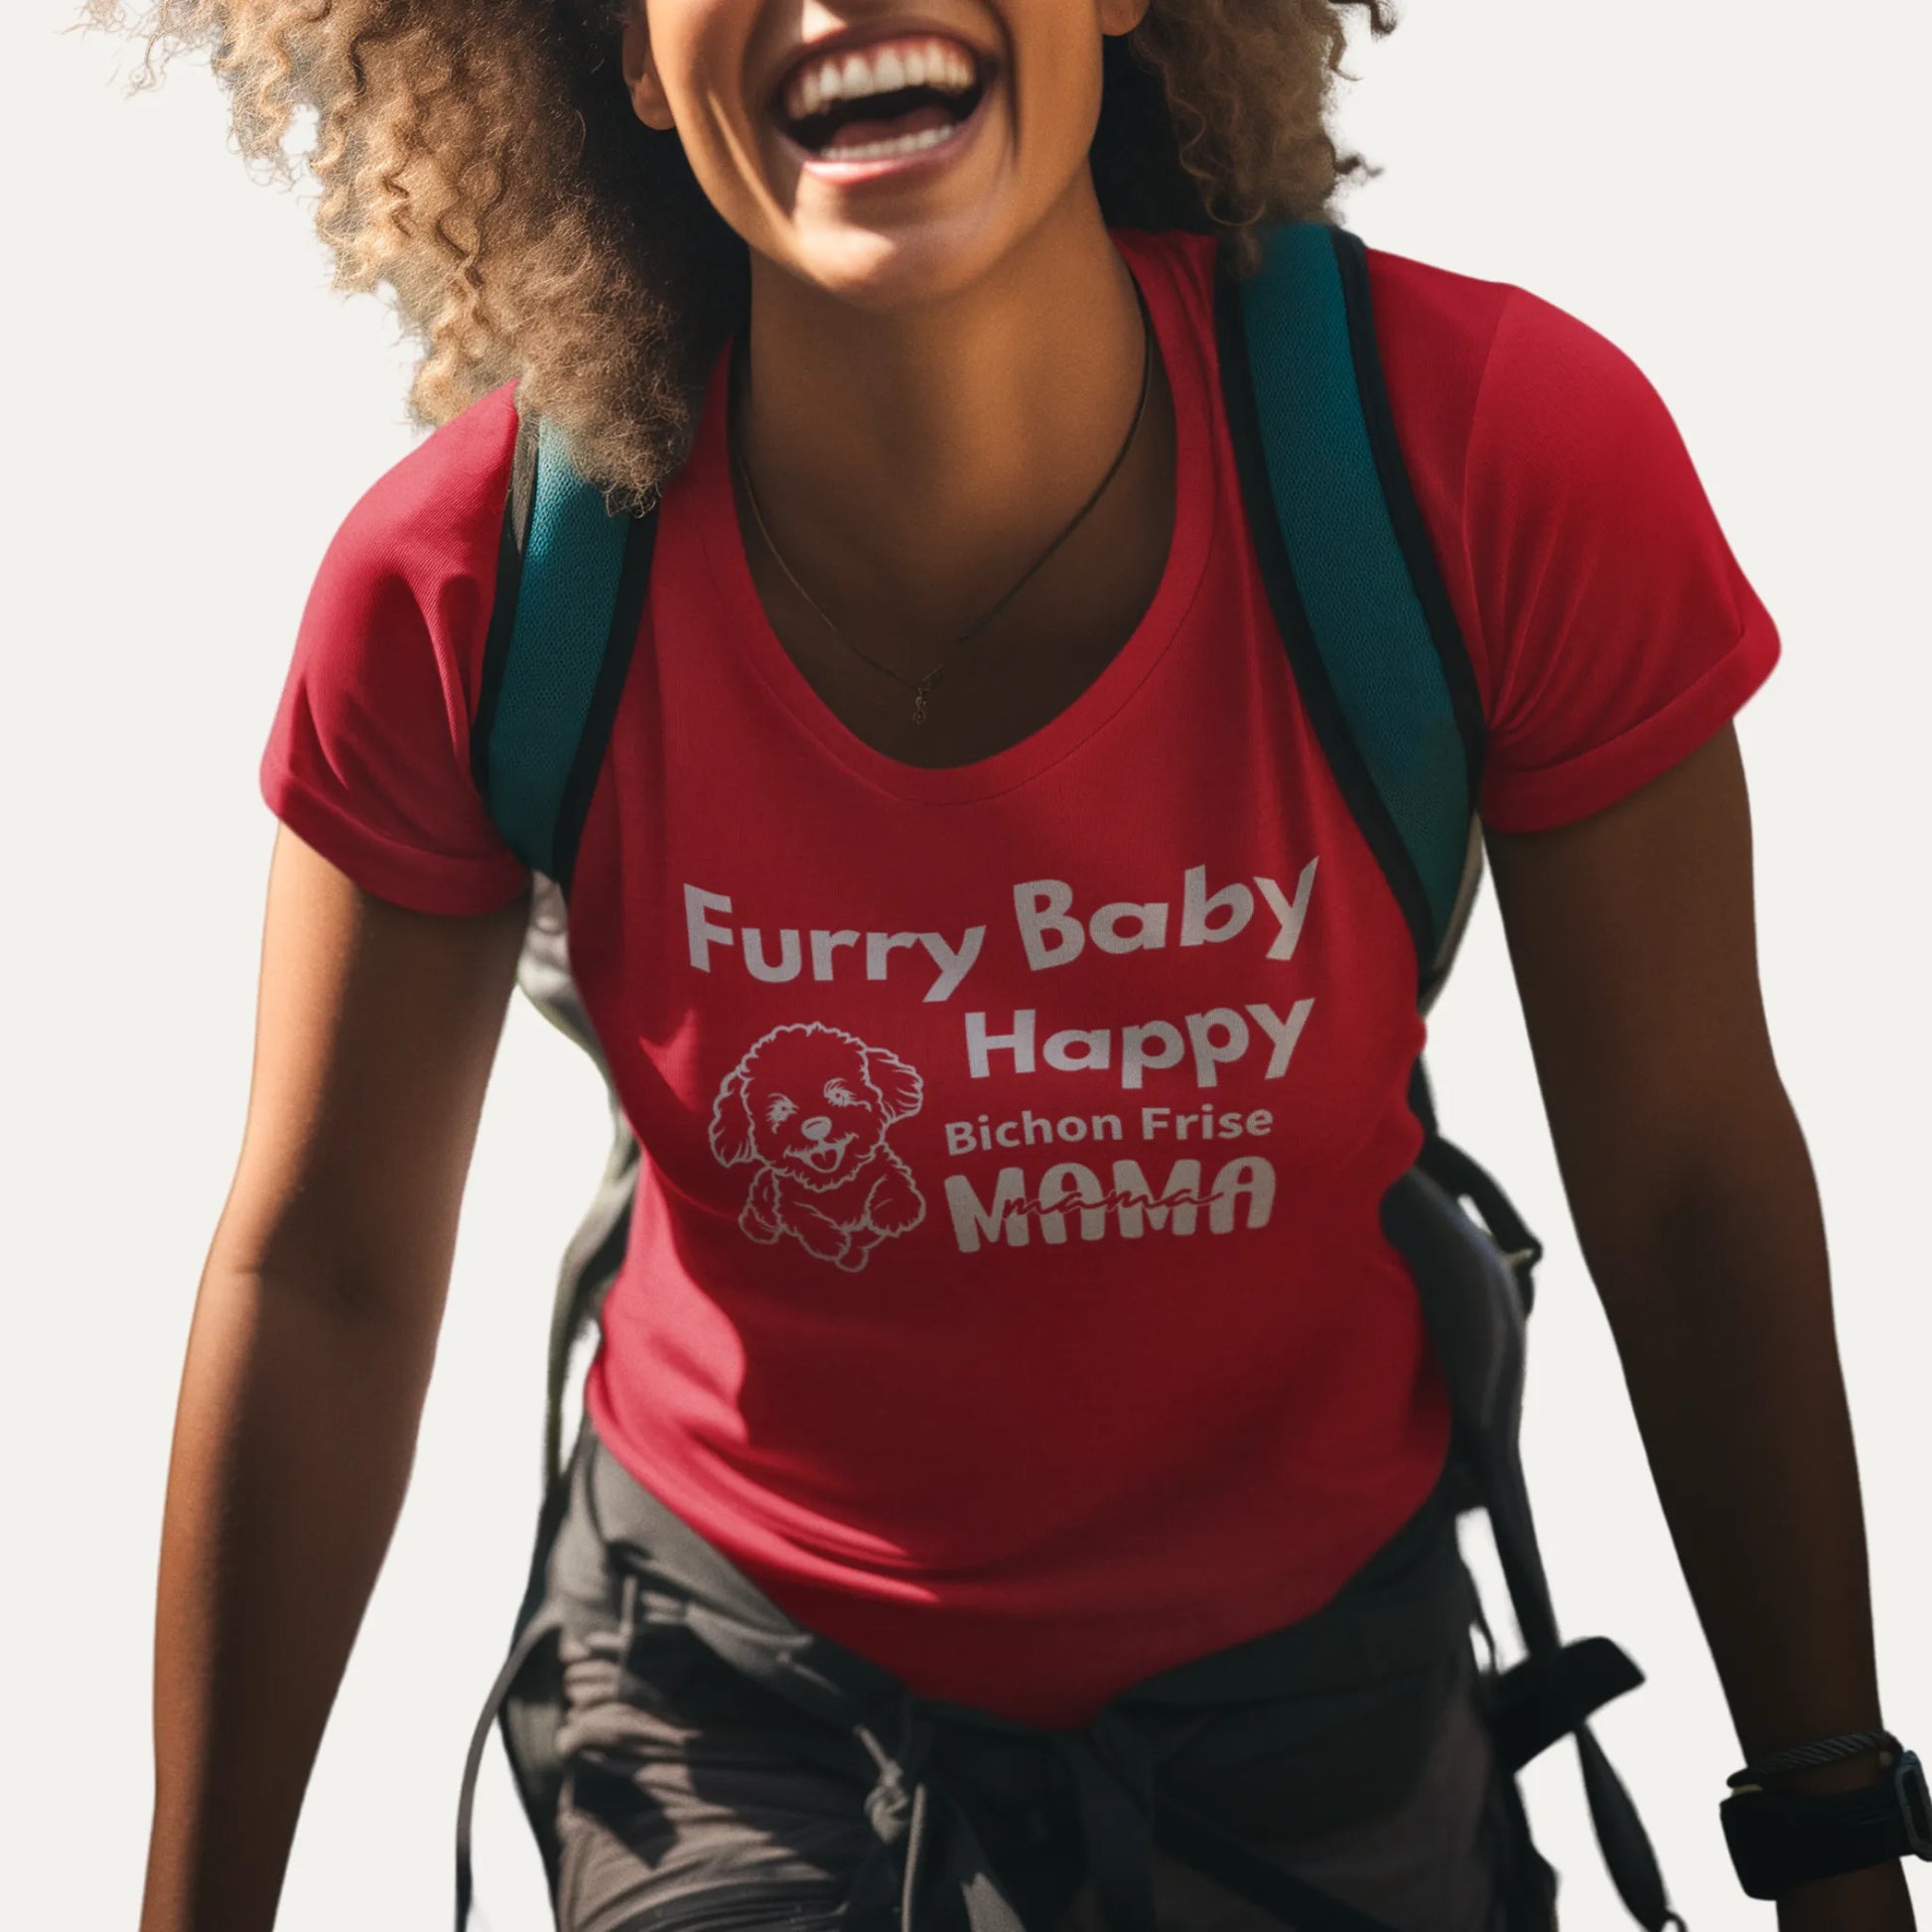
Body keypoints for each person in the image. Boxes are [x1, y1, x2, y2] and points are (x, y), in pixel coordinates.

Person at [99, 0, 1916, 1929]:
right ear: (623, 57)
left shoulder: (1487, 468)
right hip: (731, 1718)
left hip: (1322, 1713)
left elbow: (1690, 1183)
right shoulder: (469, 593)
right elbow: (323, 1274)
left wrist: (1831, 1835)